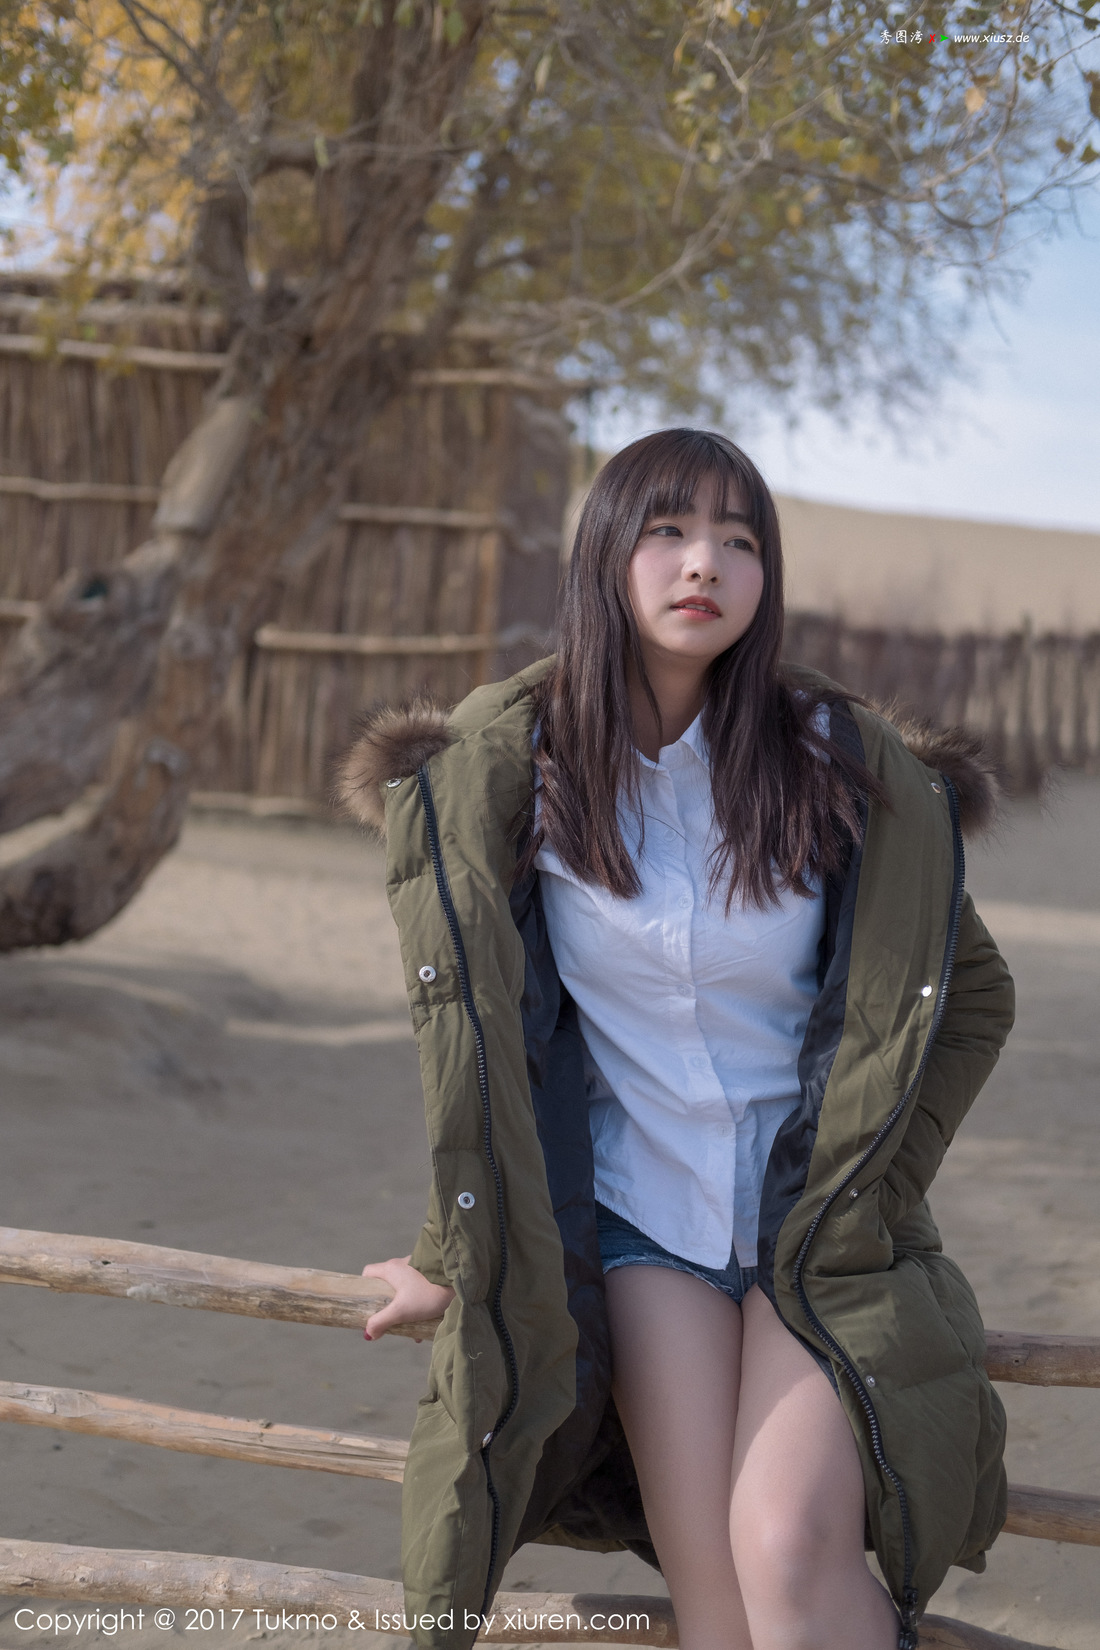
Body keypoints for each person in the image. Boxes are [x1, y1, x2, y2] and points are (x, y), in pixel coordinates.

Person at [339, 428, 1015, 1650]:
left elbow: (972, 996)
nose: (703, 562)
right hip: (644, 1226)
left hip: (814, 1231)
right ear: (604, 553)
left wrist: (880, 1179)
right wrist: (447, 1253)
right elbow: (478, 1046)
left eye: (737, 540)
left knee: (784, 1548)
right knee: (713, 1601)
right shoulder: (511, 770)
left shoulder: (834, 763)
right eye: (667, 530)